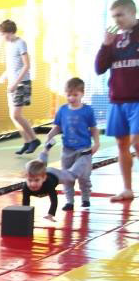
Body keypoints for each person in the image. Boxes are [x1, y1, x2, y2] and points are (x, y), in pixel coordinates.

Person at [95, 0, 139, 202]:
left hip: (138, 100)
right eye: (113, 16)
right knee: (122, 145)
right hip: (118, 100)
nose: (116, 20)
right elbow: (99, 68)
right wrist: (105, 44)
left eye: (120, 15)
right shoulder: (114, 40)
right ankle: (127, 189)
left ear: (133, 13)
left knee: (137, 143)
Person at [38, 77, 98, 211]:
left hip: (84, 150)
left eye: (75, 95)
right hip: (67, 150)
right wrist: (49, 136)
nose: (71, 98)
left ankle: (85, 198)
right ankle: (69, 201)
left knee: (84, 177)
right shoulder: (63, 110)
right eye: (69, 95)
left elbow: (94, 128)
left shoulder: (87, 110)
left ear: (82, 94)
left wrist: (96, 143)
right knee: (66, 176)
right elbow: (58, 127)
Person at [0, 20, 39, 155]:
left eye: (2, 34)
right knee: (13, 116)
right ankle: (26, 142)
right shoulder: (8, 46)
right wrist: (4, 76)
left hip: (21, 84)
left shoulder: (21, 43)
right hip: (12, 84)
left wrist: (15, 83)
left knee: (16, 114)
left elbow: (26, 65)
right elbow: (12, 66)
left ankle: (34, 139)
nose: (1, 37)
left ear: (9, 32)